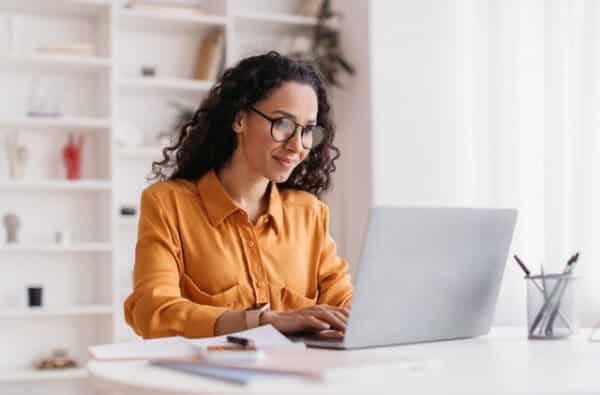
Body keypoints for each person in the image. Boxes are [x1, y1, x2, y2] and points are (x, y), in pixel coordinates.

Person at [124, 51, 353, 339]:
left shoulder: (309, 212)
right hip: (210, 379)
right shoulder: (168, 204)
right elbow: (153, 311)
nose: (298, 145)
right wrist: (264, 321)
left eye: (307, 130)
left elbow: (344, 303)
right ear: (240, 119)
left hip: (298, 377)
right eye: (282, 123)